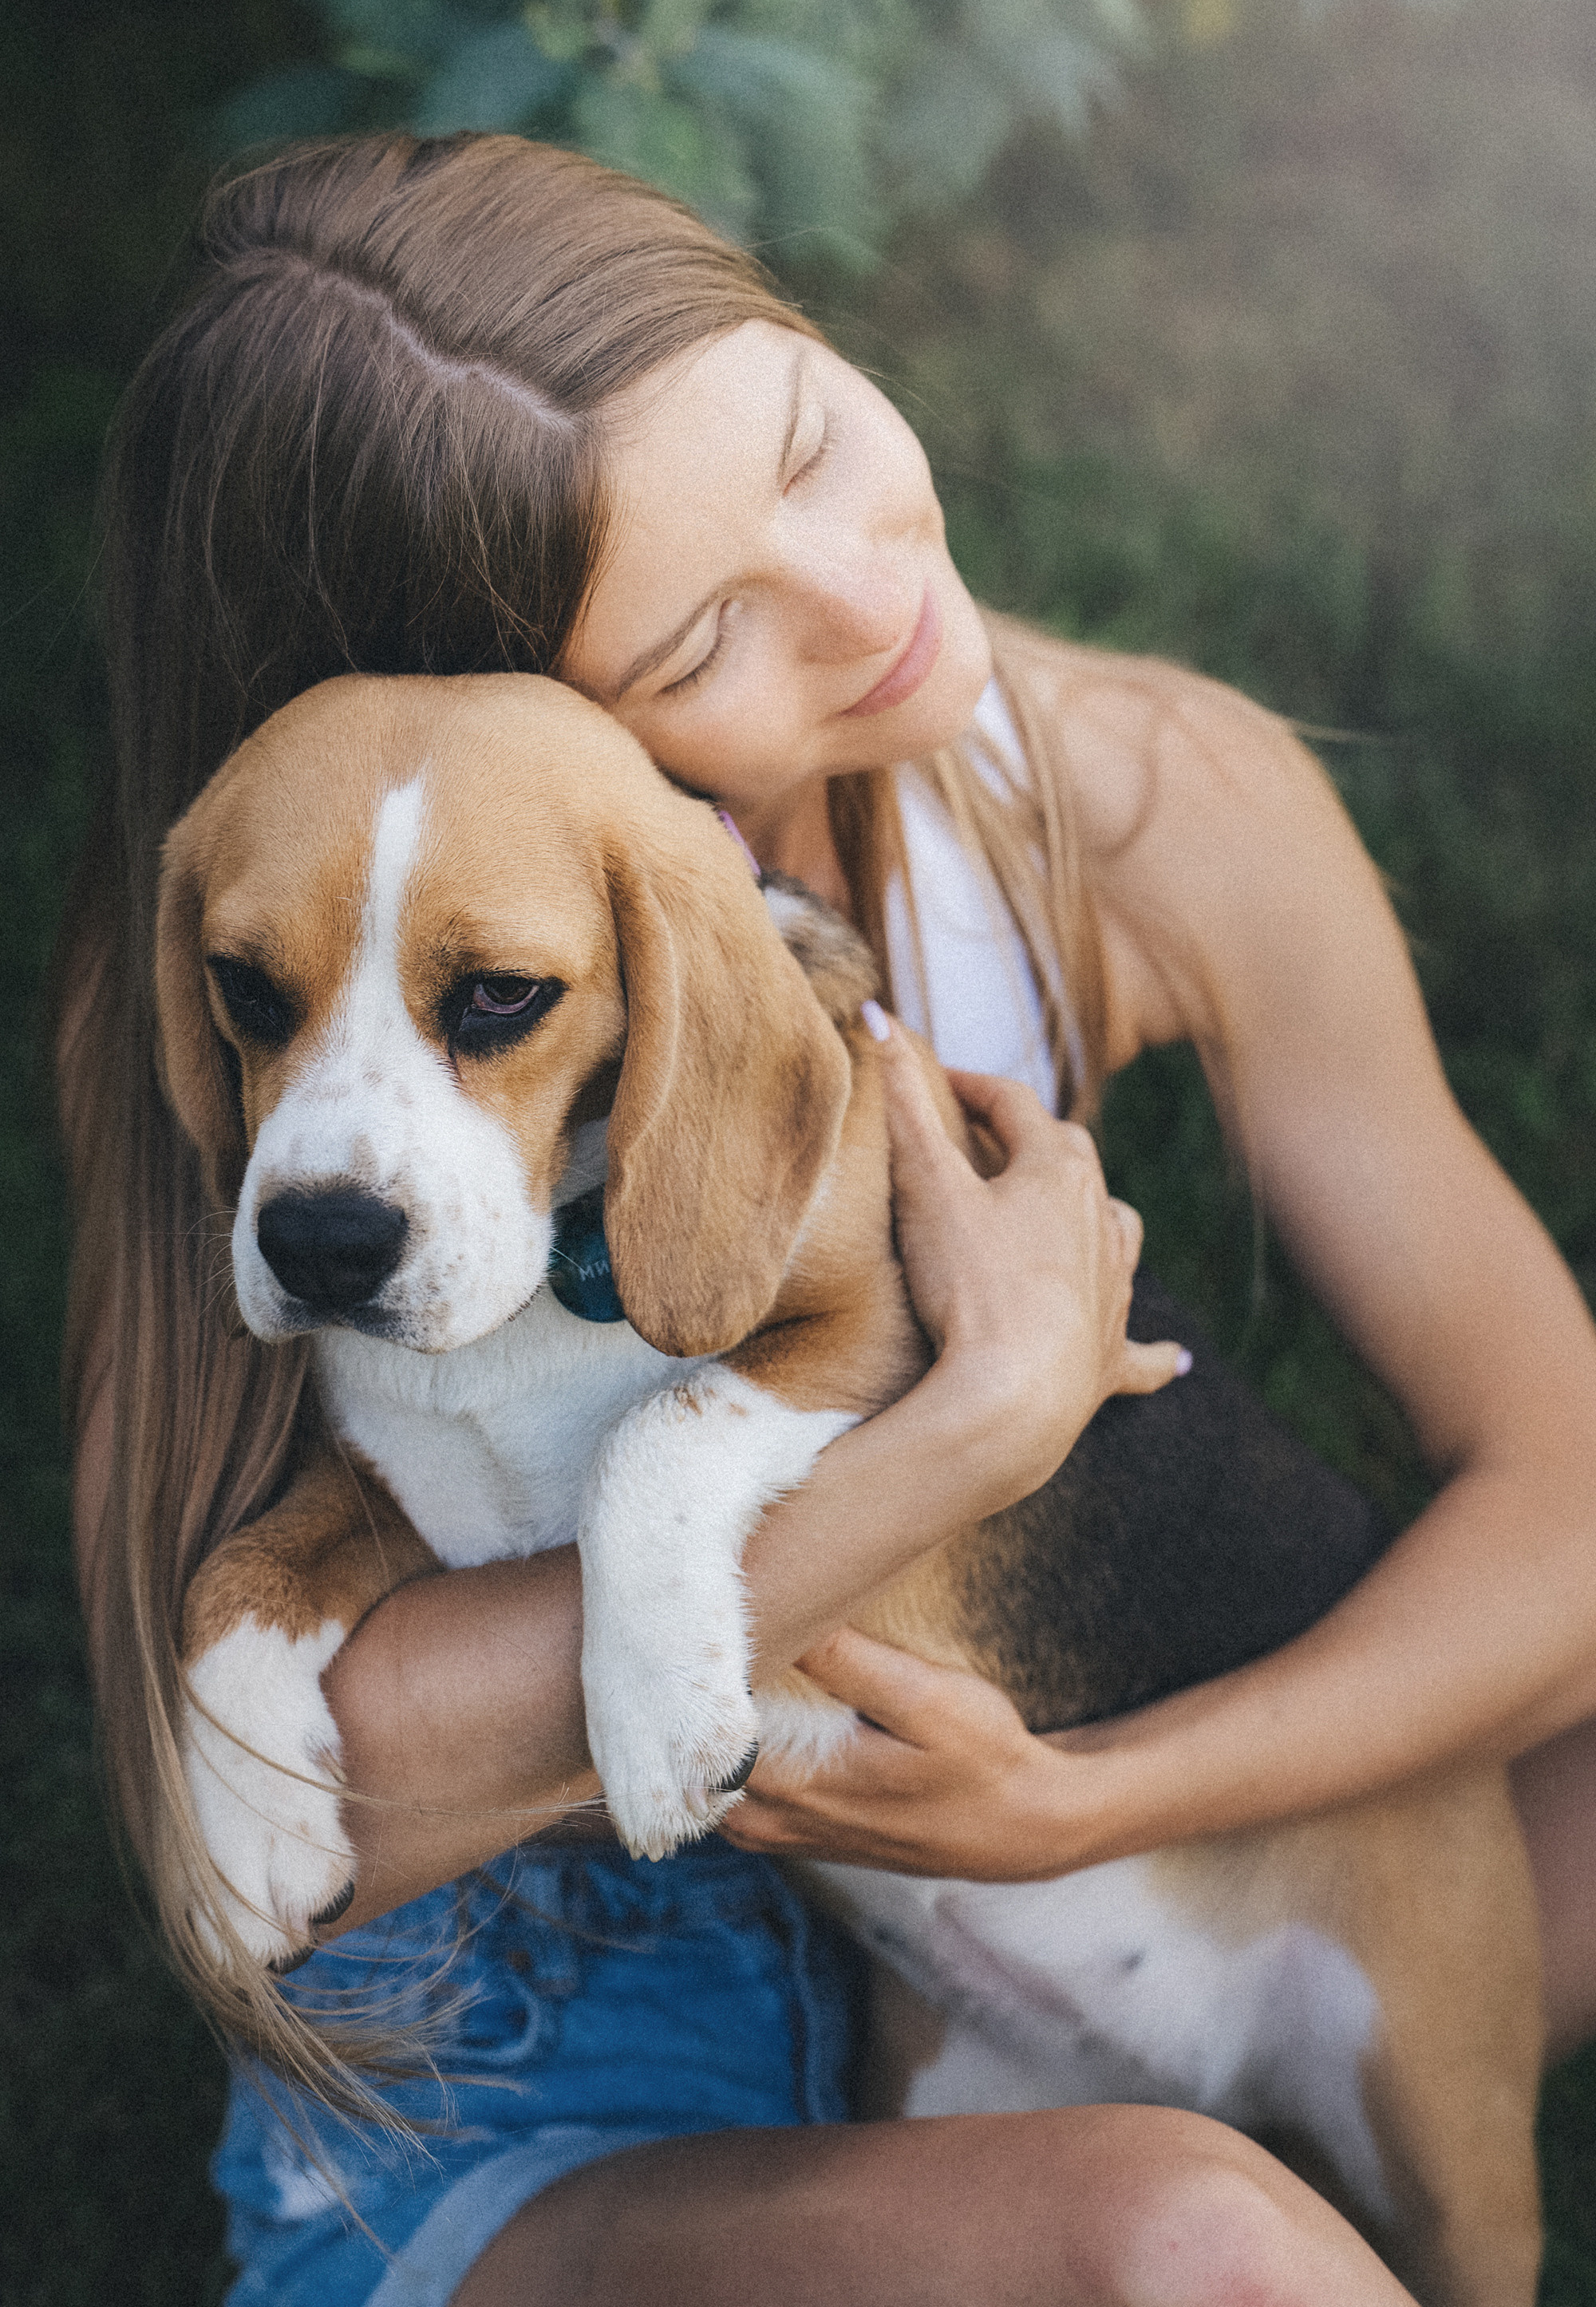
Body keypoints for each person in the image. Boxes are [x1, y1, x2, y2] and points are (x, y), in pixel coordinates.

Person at [56, 128, 1596, 2306]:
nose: (871, 598)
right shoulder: (309, 1004)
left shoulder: (1149, 799)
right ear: (511, 718)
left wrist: (1099, 1801)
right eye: (703, 633)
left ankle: (1290, 2026)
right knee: (1213, 2257)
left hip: (992, 1843)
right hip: (554, 2068)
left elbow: (1570, 1500)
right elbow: (292, 1857)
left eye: (808, 440)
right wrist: (980, 1417)